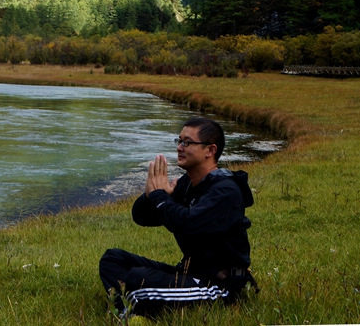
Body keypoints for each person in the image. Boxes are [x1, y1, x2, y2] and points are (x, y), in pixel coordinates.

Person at [99, 117, 257, 318]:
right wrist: (150, 196)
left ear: (210, 150)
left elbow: (187, 223)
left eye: (188, 142)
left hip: (219, 285)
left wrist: (159, 196)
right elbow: (142, 217)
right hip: (189, 273)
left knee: (139, 278)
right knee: (113, 259)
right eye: (179, 141)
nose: (180, 147)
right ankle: (128, 308)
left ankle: (128, 309)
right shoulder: (188, 184)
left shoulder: (225, 191)